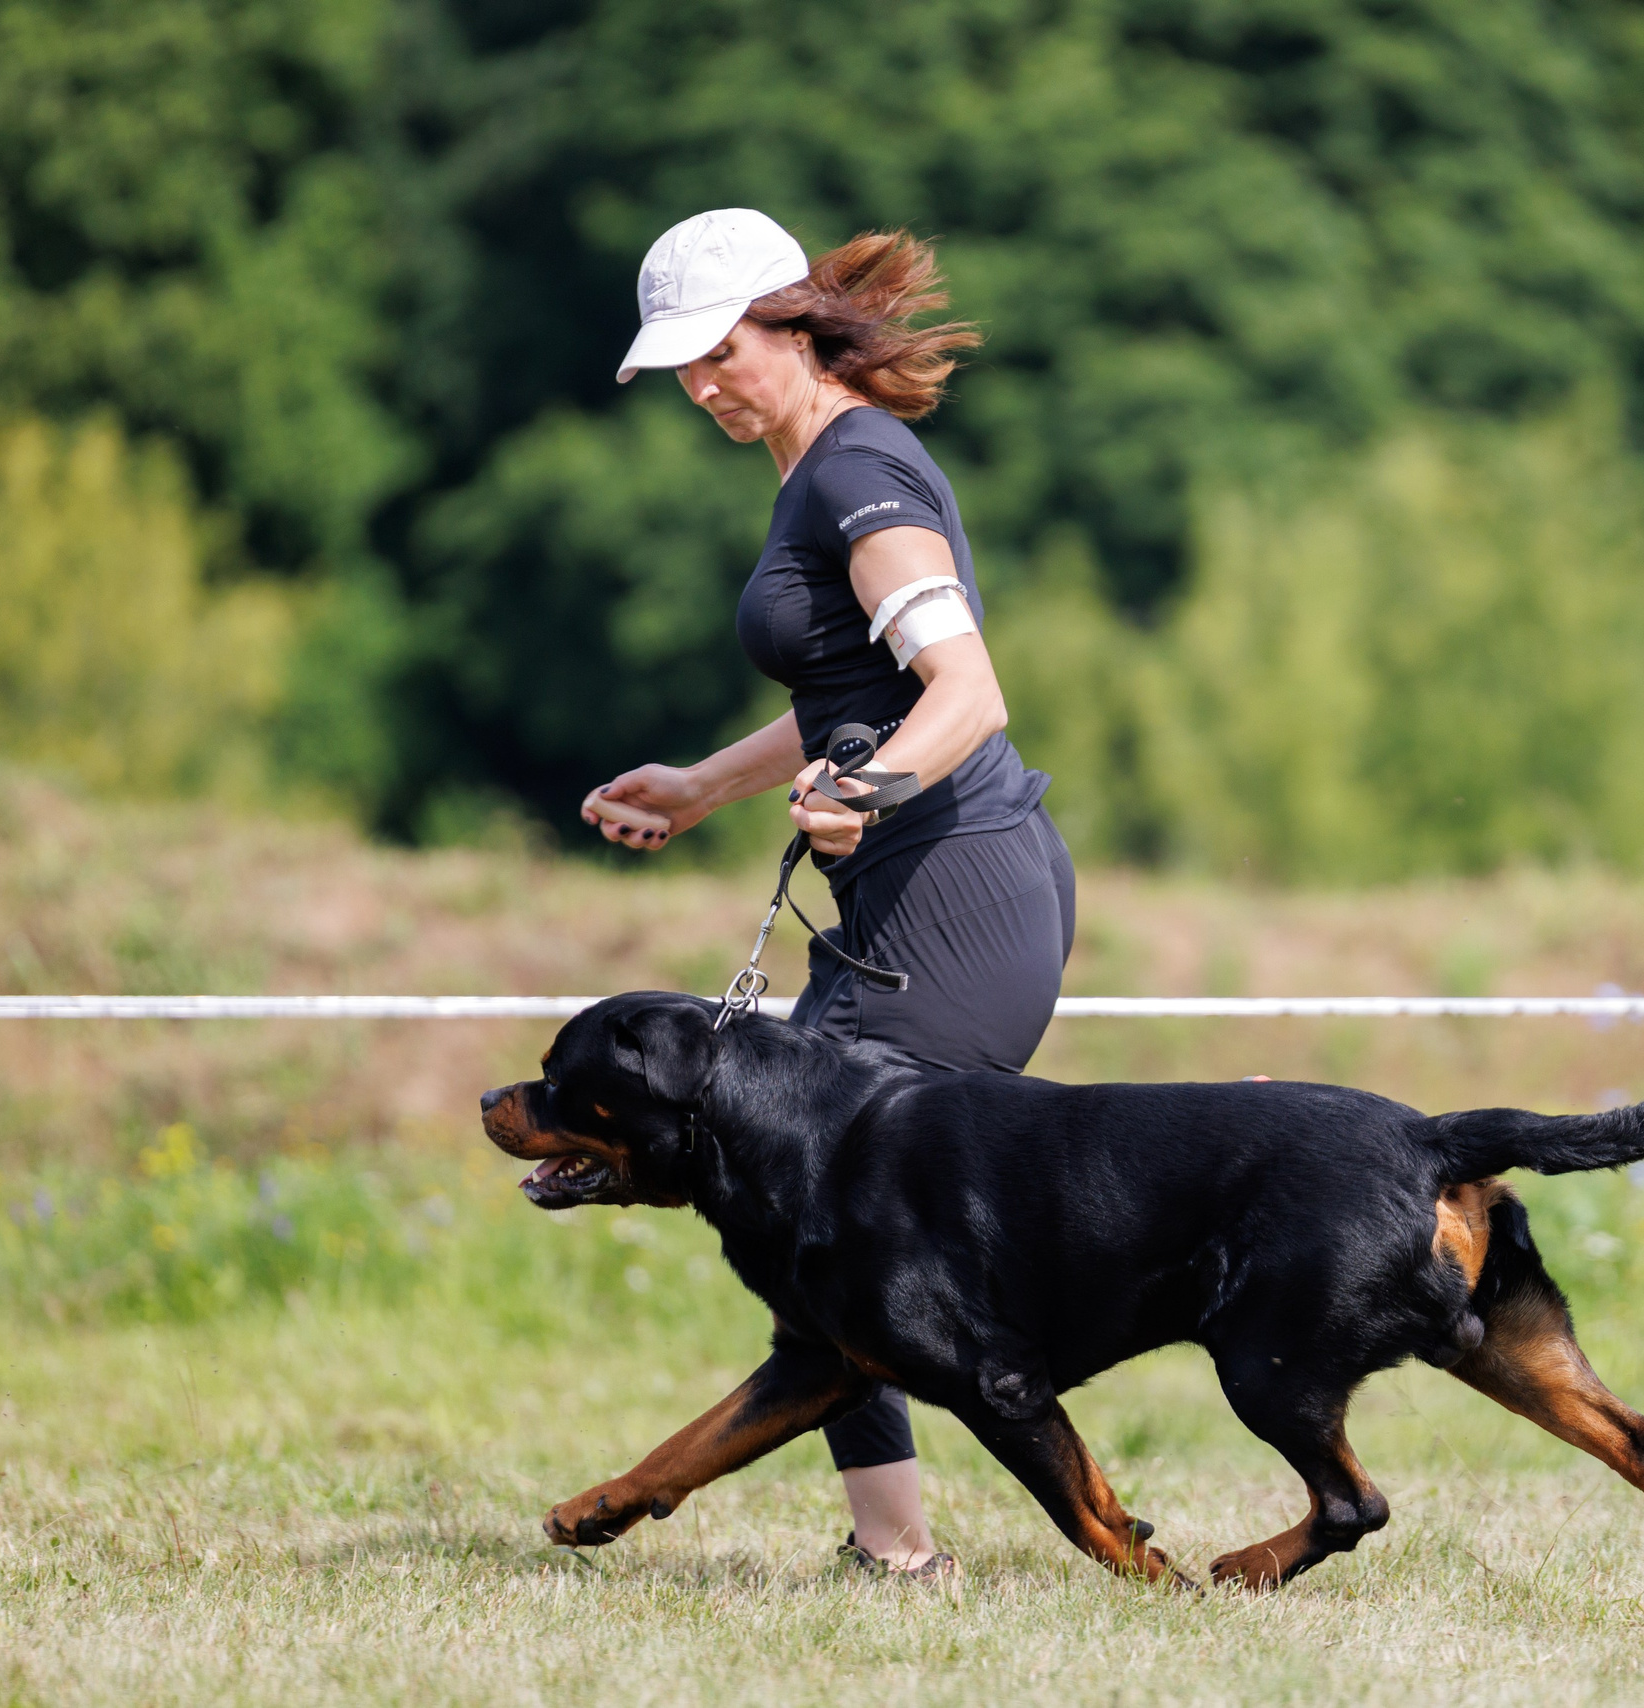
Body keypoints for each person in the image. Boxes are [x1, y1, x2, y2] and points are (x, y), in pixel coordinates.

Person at [579, 208, 1074, 1580]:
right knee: (830, 1225)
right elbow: (845, 702)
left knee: (827, 1219)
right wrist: (697, 786)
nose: (701, 385)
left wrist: (872, 792)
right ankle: (899, 1548)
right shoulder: (818, 469)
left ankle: (911, 1552)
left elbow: (965, 694)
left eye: (721, 352)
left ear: (791, 324)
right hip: (915, 898)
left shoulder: (862, 471)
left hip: (958, 898)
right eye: (682, 365)